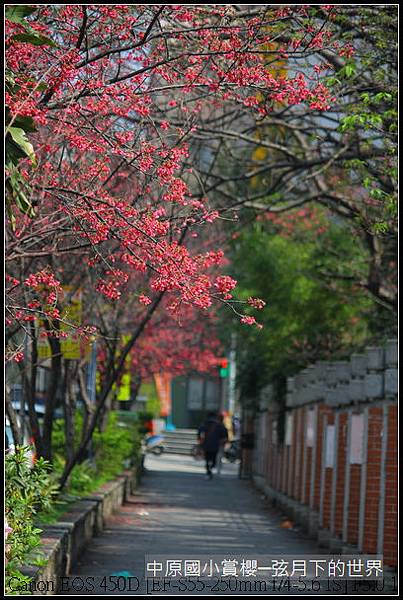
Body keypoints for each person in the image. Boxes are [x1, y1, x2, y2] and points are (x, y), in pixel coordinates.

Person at [198, 412, 228, 480]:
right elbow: (224, 435)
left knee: (207, 458)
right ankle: (210, 468)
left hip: (206, 444)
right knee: (213, 458)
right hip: (215, 445)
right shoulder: (219, 425)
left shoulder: (205, 423)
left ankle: (208, 470)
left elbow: (200, 431)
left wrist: (200, 440)